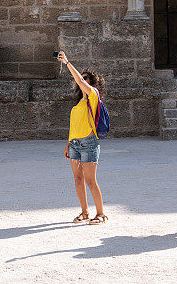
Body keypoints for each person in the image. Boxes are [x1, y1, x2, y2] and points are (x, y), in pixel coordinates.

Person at [57, 50, 108, 225]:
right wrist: (67, 145)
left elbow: (77, 79)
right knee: (78, 179)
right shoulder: (79, 103)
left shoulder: (93, 95)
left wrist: (67, 63)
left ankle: (100, 214)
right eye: (82, 78)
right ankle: (85, 212)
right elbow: (73, 127)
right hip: (74, 144)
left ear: (91, 82)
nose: (81, 80)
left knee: (90, 180)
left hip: (89, 143)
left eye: (85, 78)